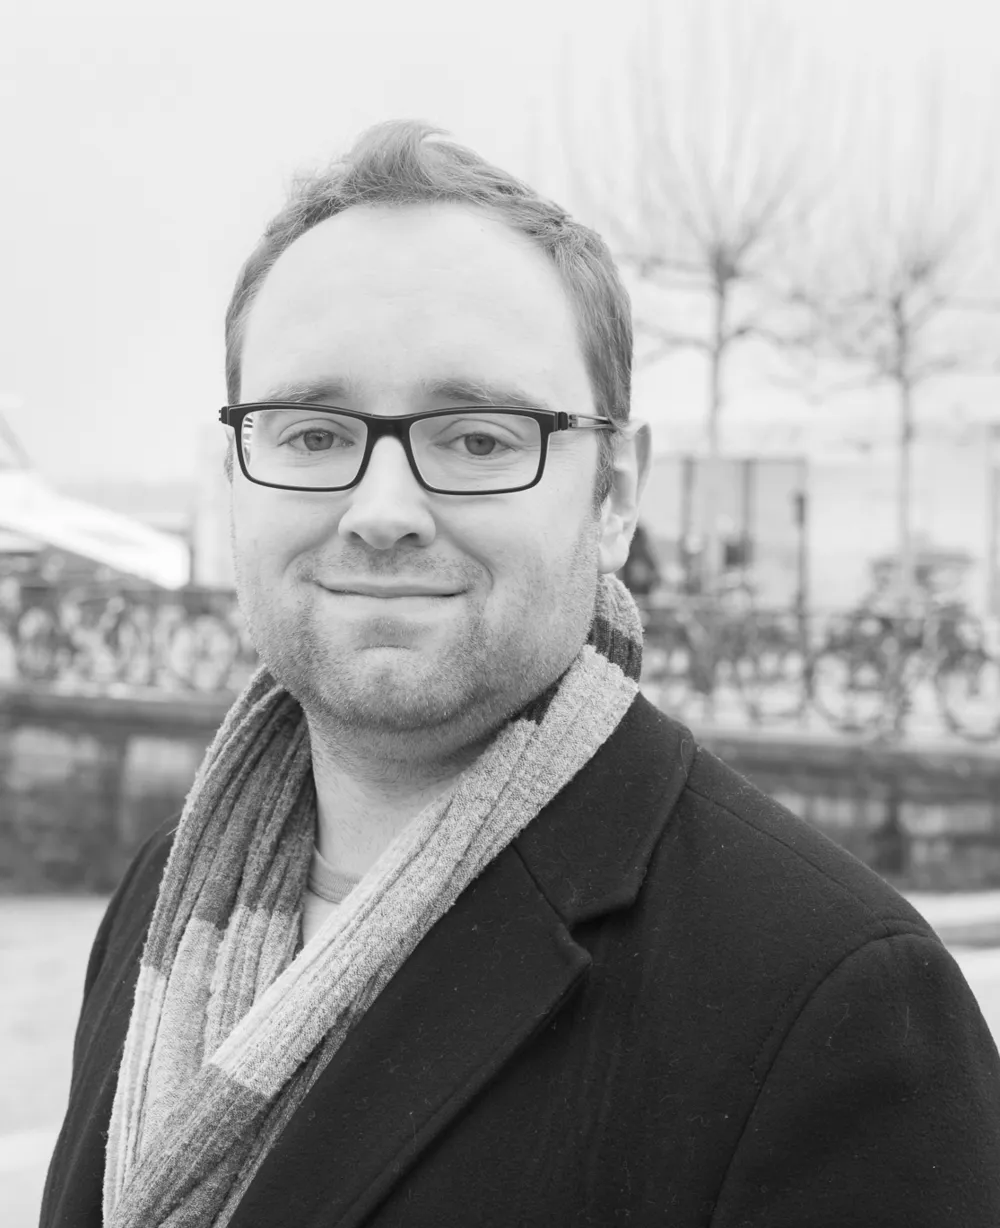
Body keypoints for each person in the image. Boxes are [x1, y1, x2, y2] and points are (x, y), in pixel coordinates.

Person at [42, 121, 1000, 1228]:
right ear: (235, 475)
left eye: (478, 439)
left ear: (616, 491)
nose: (382, 511)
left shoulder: (834, 1001)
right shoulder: (167, 899)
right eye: (311, 435)